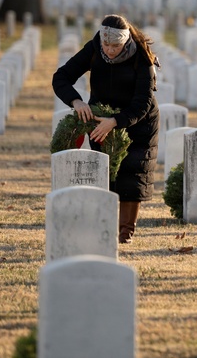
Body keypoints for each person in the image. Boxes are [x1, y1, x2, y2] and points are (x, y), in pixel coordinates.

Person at [52, 13, 160, 244]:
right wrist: (77, 101)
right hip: (102, 120)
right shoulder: (93, 49)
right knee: (106, 171)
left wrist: (116, 122)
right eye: (107, 44)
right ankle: (104, 225)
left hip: (138, 120)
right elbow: (61, 77)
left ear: (125, 41)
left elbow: (143, 102)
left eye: (116, 45)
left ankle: (125, 233)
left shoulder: (142, 59)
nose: (110, 50)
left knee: (132, 170)